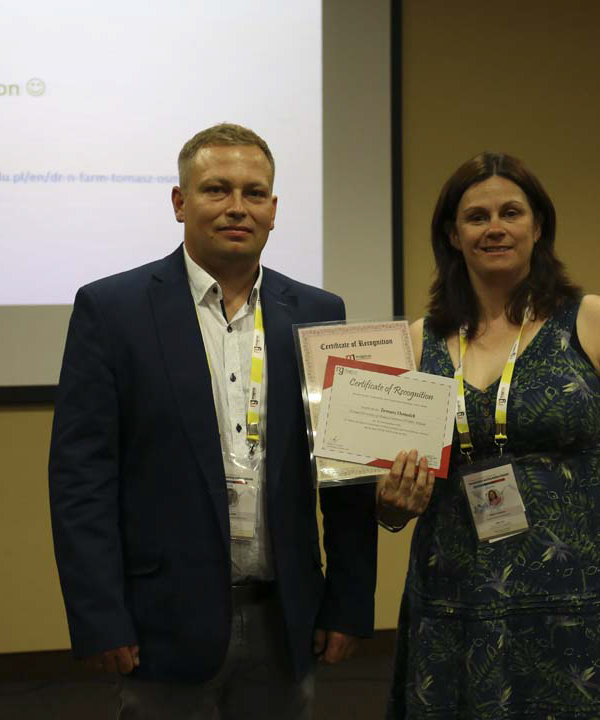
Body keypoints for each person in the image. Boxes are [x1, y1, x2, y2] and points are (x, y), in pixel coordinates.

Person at [48, 123, 377, 719]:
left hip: (286, 617)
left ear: (273, 209)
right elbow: (81, 480)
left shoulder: (319, 313)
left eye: (254, 193)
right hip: (161, 620)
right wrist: (99, 615)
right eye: (216, 189)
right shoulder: (112, 310)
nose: (237, 207)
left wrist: (349, 602)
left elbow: (345, 476)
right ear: (180, 202)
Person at [377, 152, 600, 719]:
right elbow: (395, 484)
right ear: (452, 234)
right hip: (460, 601)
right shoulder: (419, 340)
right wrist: (392, 506)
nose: (494, 228)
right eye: (476, 217)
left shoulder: (592, 320)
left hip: (585, 598)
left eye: (511, 212)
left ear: (538, 226)